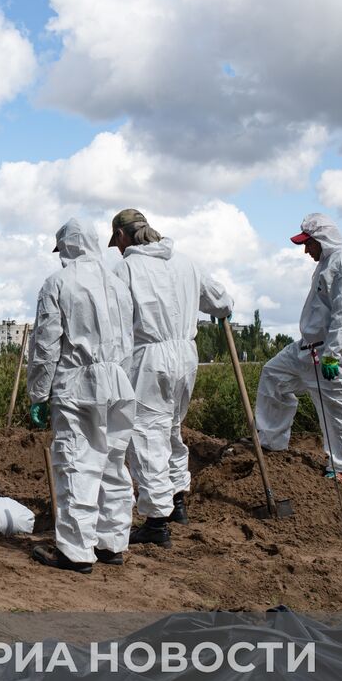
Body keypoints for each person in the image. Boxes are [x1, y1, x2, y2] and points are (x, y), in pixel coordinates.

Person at [109, 209, 232, 547]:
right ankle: (177, 500)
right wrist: (222, 310)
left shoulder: (126, 268)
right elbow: (221, 301)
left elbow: (113, 319)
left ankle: (156, 521)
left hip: (150, 357)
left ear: (122, 236)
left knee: (146, 432)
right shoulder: (187, 262)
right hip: (186, 356)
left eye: (116, 242)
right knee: (171, 428)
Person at [25, 218, 135, 574]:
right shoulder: (117, 284)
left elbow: (45, 346)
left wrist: (38, 394)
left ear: (67, 247)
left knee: (76, 463)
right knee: (114, 464)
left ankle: (75, 551)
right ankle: (112, 543)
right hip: (118, 382)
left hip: (77, 384)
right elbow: (129, 340)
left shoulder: (58, 284)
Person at [255, 213, 342, 480]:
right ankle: (272, 442)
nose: (306, 250)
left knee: (337, 410)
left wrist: (333, 355)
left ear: (323, 239)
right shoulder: (326, 263)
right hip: (308, 348)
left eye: (309, 244)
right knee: (273, 375)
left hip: (334, 352)